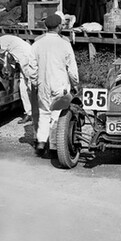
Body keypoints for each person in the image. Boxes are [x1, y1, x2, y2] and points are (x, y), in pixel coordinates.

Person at [30, 14, 79, 156]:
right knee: (57, 113)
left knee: (44, 112)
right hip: (60, 84)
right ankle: (53, 146)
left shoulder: (37, 44)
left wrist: (35, 82)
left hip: (43, 84)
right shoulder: (64, 44)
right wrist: (75, 83)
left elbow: (32, 67)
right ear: (59, 27)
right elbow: (72, 68)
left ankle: (41, 142)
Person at [0, 35, 38, 125]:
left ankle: (38, 114)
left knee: (31, 87)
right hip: (21, 60)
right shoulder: (2, 41)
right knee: (23, 88)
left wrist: (5, 69)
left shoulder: (4, 41)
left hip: (27, 59)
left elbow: (4, 58)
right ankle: (29, 113)